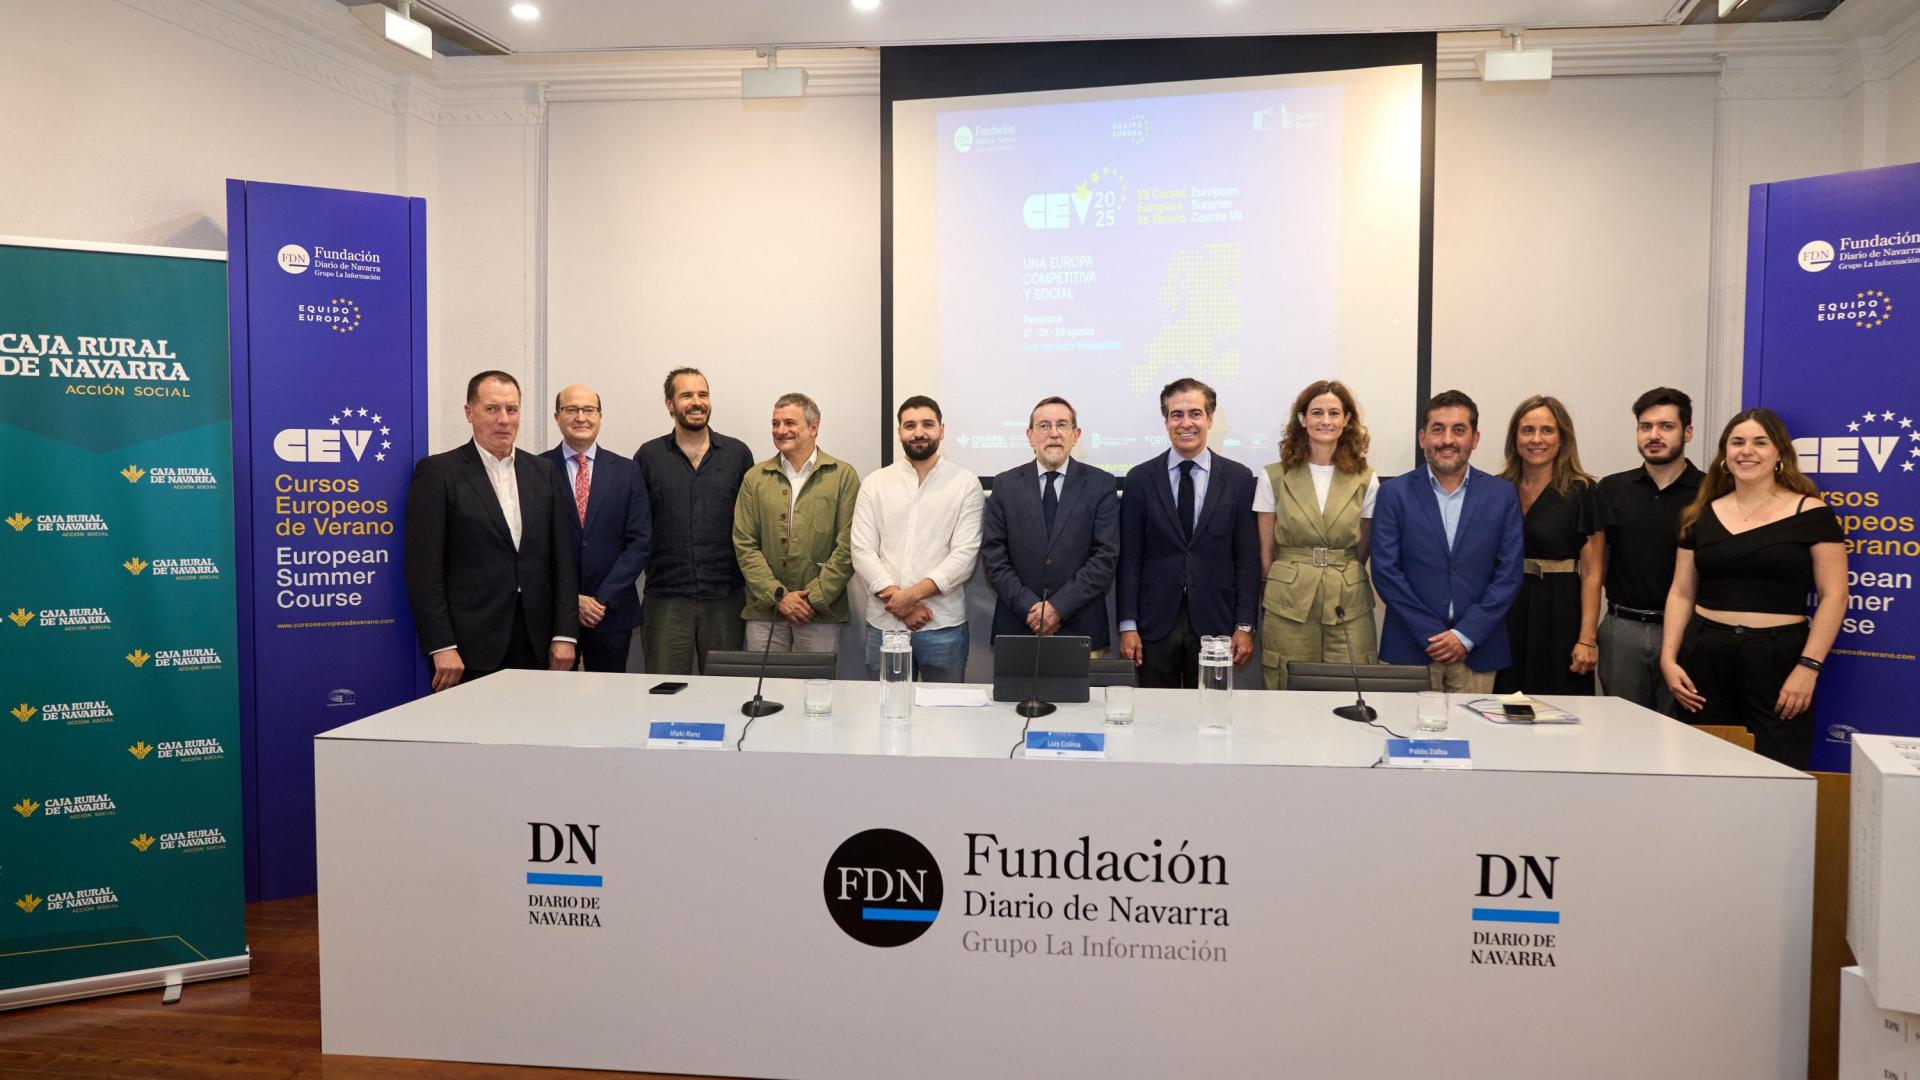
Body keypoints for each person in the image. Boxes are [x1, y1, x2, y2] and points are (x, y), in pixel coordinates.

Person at [1660, 408, 1847, 768]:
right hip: (1706, 655)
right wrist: (1669, 659)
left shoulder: (1812, 513)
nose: (1747, 451)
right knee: (1703, 768)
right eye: (1737, 442)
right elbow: (1681, 592)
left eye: (1760, 442)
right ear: (1724, 455)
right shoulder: (1700, 514)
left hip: (1779, 661)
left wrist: (1808, 668)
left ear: (1780, 454)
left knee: (1780, 771)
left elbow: (1834, 596)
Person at [403, 371, 578, 691]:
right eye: (492, 409)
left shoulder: (543, 472)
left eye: (512, 410)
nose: (503, 419)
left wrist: (565, 635)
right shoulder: (439, 473)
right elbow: (423, 569)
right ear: (469, 412)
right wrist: (441, 645)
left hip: (536, 642)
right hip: (468, 647)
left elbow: (562, 561)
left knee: (534, 732)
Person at [1371, 389, 1524, 693]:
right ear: (1422, 437)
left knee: (1475, 738)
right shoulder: (1393, 494)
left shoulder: (1502, 495)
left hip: (1479, 647)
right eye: (1437, 429)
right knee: (1409, 738)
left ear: (1475, 438)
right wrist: (1431, 633)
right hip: (1411, 646)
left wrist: (1465, 636)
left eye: (1459, 430)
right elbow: (1386, 572)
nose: (1447, 440)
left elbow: (1508, 575)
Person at [1116, 378, 1259, 689]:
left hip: (1217, 625)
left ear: (1210, 418)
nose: (1186, 423)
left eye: (1195, 413)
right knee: (1156, 721)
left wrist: (1245, 626)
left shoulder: (1238, 479)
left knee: (1212, 715)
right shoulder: (1139, 480)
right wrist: (1128, 625)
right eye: (1176, 415)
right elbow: (1129, 560)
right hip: (1154, 625)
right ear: (1166, 421)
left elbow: (1247, 560)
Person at [1254, 380, 1379, 690]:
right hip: (1288, 603)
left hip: (1348, 600)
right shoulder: (1274, 475)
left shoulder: (1366, 477)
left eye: (1334, 413)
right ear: (1302, 419)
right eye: (1317, 412)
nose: (1326, 420)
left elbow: (1362, 546)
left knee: (1353, 684)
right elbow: (1265, 552)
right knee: (1286, 684)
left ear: (1347, 420)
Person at [850, 396, 984, 682]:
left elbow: (964, 557)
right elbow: (862, 551)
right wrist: (903, 606)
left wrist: (908, 598)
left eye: (927, 424)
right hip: (885, 627)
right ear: (899, 432)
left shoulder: (966, 484)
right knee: (887, 715)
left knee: (946, 719)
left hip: (943, 627)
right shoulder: (876, 483)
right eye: (909, 425)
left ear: (942, 430)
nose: (918, 432)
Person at [633, 368, 755, 674]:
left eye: (703, 394)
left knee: (724, 693)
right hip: (666, 599)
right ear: (670, 404)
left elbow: (751, 525)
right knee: (666, 692)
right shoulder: (649, 456)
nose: (696, 402)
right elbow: (636, 526)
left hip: (725, 598)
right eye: (686, 395)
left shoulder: (737, 454)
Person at [981, 396, 1120, 653]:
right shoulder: (1005, 485)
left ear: (1075, 434)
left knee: (1082, 696)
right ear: (1030, 435)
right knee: (1015, 696)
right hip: (1018, 627)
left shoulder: (1101, 484)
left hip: (1081, 629)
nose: (1054, 433)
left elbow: (1105, 557)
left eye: (1062, 425)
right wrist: (1030, 610)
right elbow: (993, 556)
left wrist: (1058, 608)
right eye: (1044, 426)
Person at [1594, 388, 1703, 713]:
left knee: (1682, 738)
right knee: (1621, 735)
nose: (1654, 435)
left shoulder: (1711, 492)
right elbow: (1597, 563)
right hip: (1621, 631)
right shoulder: (1612, 489)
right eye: (1645, 426)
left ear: (1688, 433)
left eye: (1666, 426)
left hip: (1688, 634)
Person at [733, 392, 860, 654]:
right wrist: (778, 597)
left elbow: (849, 544)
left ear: (814, 427)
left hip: (819, 613)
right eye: (775, 423)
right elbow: (744, 544)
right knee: (765, 691)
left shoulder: (842, 475)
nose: (781, 430)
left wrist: (812, 599)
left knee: (815, 692)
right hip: (765, 612)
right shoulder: (755, 478)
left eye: (790, 423)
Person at [1493, 395, 1603, 696]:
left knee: (1560, 710)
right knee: (1503, 709)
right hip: (1508, 612)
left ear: (1562, 438)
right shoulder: (1498, 489)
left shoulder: (1582, 490)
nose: (1536, 439)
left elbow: (1593, 572)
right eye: (1527, 430)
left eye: (1547, 430)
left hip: (1560, 612)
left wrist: (1587, 639)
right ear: (1515, 438)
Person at [540, 384, 651, 673]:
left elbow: (639, 542)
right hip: (554, 613)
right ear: (557, 416)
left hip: (611, 612)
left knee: (610, 702)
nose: (580, 417)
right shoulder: (536, 469)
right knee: (553, 700)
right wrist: (570, 599)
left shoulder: (627, 471)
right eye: (571, 410)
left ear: (600, 416)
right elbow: (533, 547)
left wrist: (601, 599)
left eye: (588, 410)